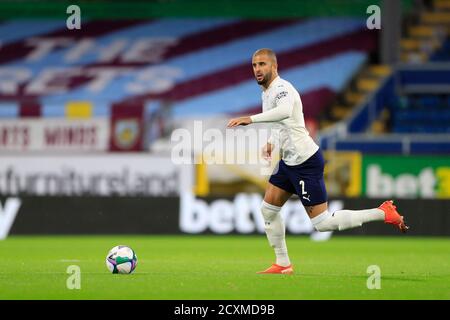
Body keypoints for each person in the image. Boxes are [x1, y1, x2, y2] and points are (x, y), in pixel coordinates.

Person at [227, 48, 409, 275]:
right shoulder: (266, 93)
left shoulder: (282, 89)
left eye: (262, 64)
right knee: (268, 210)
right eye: (254, 65)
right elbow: (283, 123)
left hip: (305, 162)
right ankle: (283, 264)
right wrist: (272, 142)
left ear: (274, 67)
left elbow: (284, 111)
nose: (257, 69)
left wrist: (250, 119)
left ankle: (383, 212)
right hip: (288, 163)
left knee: (323, 224)